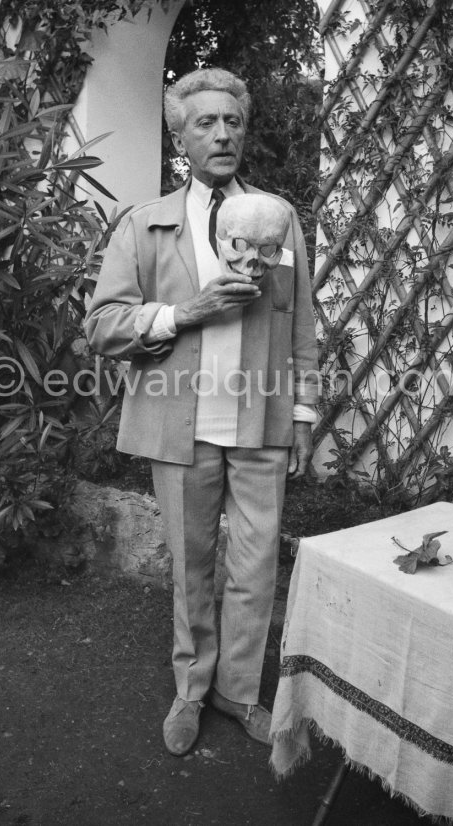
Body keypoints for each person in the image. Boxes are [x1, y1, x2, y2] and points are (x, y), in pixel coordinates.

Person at [84, 67, 319, 757]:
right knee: (190, 565)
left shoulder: (278, 221)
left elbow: (302, 322)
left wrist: (304, 416)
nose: (223, 133)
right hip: (177, 422)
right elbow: (103, 325)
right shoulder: (145, 224)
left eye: (233, 122)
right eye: (206, 123)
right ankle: (191, 688)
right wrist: (185, 313)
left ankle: (238, 692)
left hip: (262, 423)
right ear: (179, 136)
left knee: (254, 568)